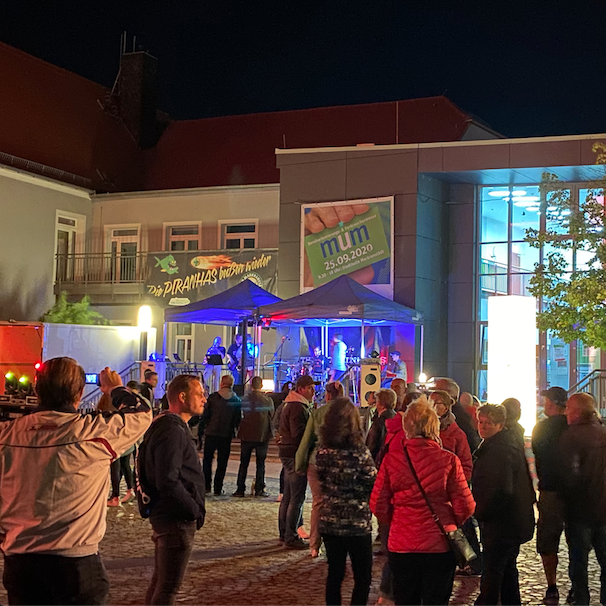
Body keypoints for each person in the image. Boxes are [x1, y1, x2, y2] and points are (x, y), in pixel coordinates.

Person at [0, 358, 151, 605]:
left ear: (37, 390)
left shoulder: (7, 434)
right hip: (76, 562)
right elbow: (142, 413)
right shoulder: (93, 433)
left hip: (21, 562)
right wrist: (114, 389)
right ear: (80, 394)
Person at [371, 396, 475, 605]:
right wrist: (448, 519)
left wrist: (399, 520)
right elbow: (466, 505)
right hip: (439, 545)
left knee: (405, 599)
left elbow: (377, 503)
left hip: (402, 544)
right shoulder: (448, 460)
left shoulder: (392, 460)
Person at [140, 374, 207, 605]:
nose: (204, 399)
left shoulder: (167, 425)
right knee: (168, 588)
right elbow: (167, 478)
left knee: (161, 582)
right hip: (175, 518)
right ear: (182, 396)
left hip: (169, 514)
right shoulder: (172, 429)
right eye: (199, 394)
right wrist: (192, 508)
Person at [472, 404, 535, 606]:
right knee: (507, 570)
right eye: (481, 422)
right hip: (510, 521)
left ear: (499, 424)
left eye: (488, 423)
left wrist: (481, 512)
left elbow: (500, 489)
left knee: (494, 572)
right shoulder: (503, 445)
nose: (483, 427)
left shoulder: (497, 451)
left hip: (501, 523)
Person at [316, 397, 377, 606]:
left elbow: (321, 479)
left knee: (334, 573)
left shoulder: (323, 451)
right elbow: (372, 482)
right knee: (362, 576)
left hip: (330, 519)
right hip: (356, 521)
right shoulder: (360, 453)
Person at [560, 392, 606, 606]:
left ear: (577, 412)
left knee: (579, 561)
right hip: (603, 509)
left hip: (580, 510)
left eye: (568, 408)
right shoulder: (604, 433)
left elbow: (570, 475)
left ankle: (581, 600)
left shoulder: (571, 437)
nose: (566, 412)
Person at [295, 380, 345, 557]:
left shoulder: (317, 413)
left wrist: (300, 463)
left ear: (328, 395)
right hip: (340, 462)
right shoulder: (349, 413)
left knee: (318, 502)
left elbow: (307, 440)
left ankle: (315, 545)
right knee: (339, 503)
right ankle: (337, 544)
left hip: (317, 461)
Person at [532, 385, 569, 605]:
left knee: (548, 541)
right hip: (573, 490)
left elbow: (538, 453)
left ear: (552, 403)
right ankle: (576, 585)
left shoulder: (542, 428)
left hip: (550, 489)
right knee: (576, 538)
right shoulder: (571, 427)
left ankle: (552, 585)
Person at [279, 374, 318, 549]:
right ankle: (291, 535)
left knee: (288, 495)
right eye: (310, 388)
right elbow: (299, 433)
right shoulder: (297, 407)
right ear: (301, 389)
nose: (313, 391)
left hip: (288, 451)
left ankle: (284, 532)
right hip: (295, 453)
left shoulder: (290, 403)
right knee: (297, 497)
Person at [200, 374, 241, 495]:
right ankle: (218, 487)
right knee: (222, 462)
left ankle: (206, 485)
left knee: (207, 460)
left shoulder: (213, 398)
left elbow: (205, 415)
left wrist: (201, 430)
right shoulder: (236, 400)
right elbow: (237, 420)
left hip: (211, 432)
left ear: (222, 383)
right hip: (226, 434)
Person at [233, 376, 274, 497]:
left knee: (243, 463)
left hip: (246, 434)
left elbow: (240, 414)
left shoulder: (244, 399)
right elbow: (271, 415)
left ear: (251, 385)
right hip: (262, 435)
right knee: (260, 463)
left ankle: (240, 489)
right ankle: (259, 489)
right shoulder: (267, 400)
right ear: (261, 386)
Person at [429, 390, 473, 481]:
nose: (430, 406)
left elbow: (466, 466)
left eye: (435, 403)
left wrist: (454, 483)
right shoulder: (421, 429)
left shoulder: (457, 434)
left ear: (446, 408)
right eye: (429, 401)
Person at [366, 388, 397, 462]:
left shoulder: (379, 422)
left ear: (382, 404)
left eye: (377, 401)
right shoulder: (396, 418)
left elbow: (372, 444)